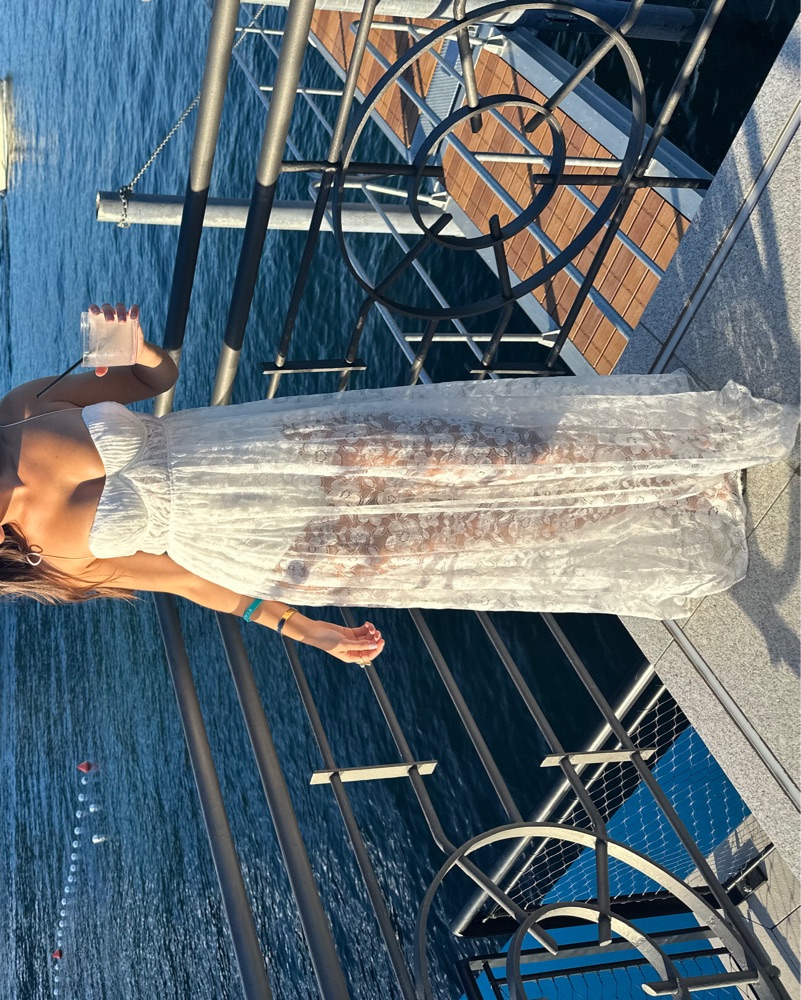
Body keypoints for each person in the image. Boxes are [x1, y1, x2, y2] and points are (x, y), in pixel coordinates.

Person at [1, 304, 798, 666]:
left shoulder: (20, 410)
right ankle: (666, 501)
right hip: (267, 542)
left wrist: (135, 350)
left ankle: (682, 446)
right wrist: (304, 630)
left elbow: (155, 379)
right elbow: (182, 579)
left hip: (268, 446)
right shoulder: (46, 561)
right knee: (475, 531)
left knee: (486, 452)